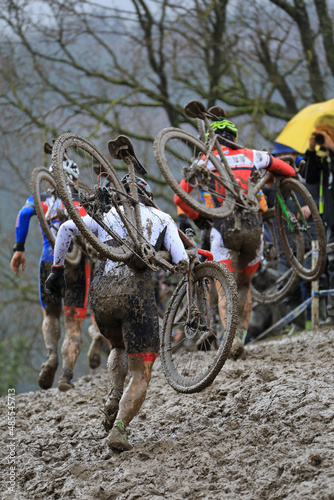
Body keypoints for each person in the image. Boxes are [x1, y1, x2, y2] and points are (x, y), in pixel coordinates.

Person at [44, 175, 189, 451]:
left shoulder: (107, 215)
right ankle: (119, 429)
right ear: (147, 196)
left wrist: (58, 270)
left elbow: (64, 229)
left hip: (101, 295)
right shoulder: (162, 218)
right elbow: (181, 260)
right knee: (141, 372)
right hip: (136, 297)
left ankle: (113, 395)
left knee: (118, 347)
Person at [174, 118, 296, 353]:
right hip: (253, 229)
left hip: (222, 229)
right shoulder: (252, 154)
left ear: (211, 140)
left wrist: (197, 219)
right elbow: (287, 170)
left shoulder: (205, 160)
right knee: (244, 286)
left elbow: (180, 198)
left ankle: (228, 339)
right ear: (235, 138)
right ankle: (240, 336)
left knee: (224, 288)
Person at [10, 159, 91, 392]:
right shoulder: (82, 199)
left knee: (50, 315)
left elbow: (23, 215)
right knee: (74, 327)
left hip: (49, 261)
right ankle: (66, 375)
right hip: (77, 264)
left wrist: (19, 249)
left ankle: (51, 355)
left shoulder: (41, 198)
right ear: (74, 180)